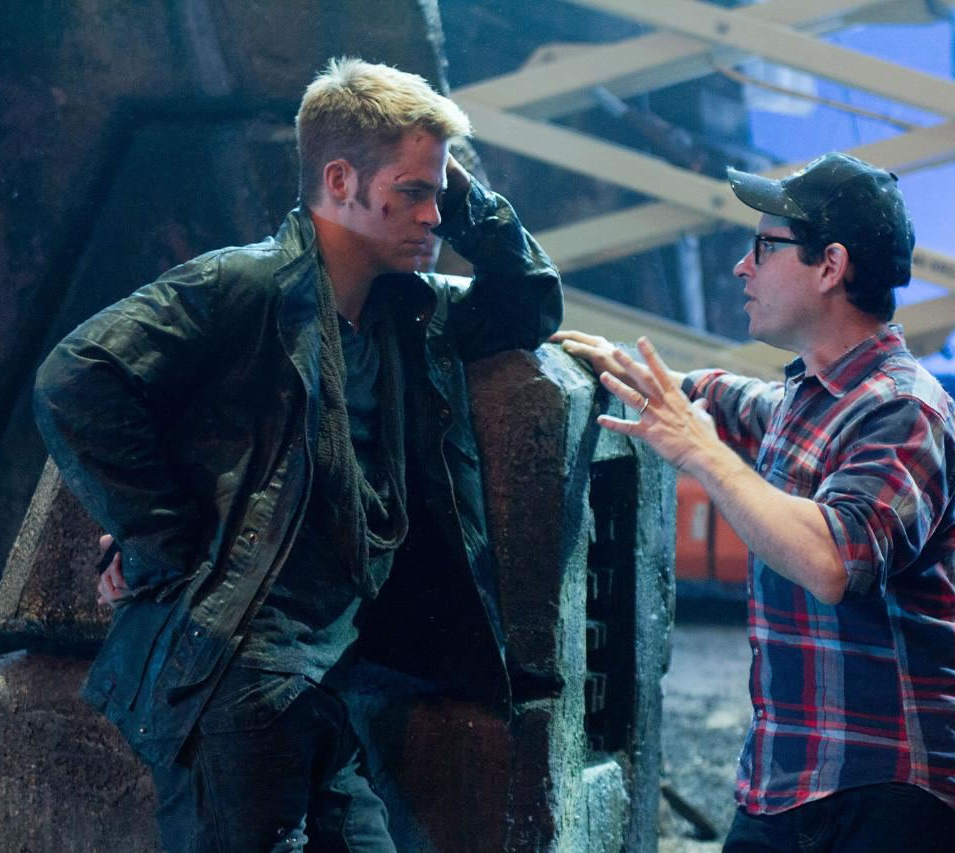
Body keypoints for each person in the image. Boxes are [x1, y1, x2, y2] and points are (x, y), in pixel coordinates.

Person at [34, 57, 561, 851]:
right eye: (413, 192)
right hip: (241, 673)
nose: (433, 217)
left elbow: (529, 301)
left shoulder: (404, 317)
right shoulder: (247, 284)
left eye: (439, 196)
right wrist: (162, 539)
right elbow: (76, 377)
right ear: (340, 180)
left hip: (329, 679)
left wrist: (460, 193)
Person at [552, 152, 955, 853]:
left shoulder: (903, 409)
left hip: (899, 789)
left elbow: (833, 560)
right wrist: (639, 377)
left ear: (830, 266)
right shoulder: (809, 399)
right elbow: (728, 398)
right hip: (793, 783)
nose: (744, 267)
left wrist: (700, 449)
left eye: (765, 246)